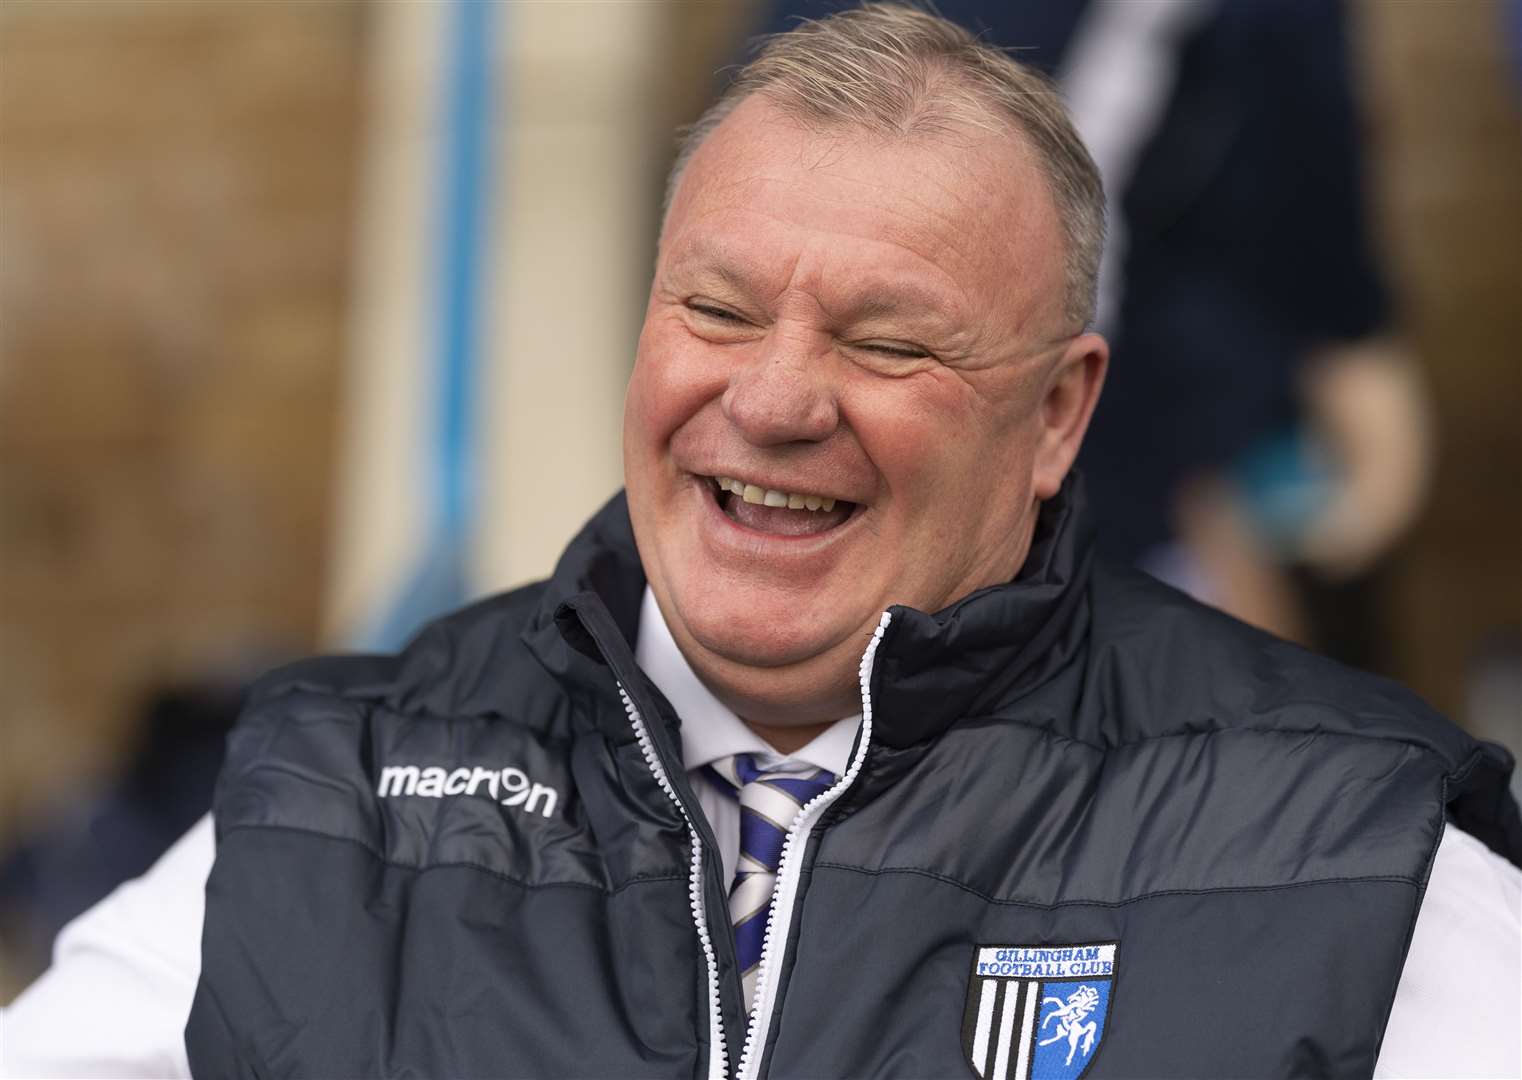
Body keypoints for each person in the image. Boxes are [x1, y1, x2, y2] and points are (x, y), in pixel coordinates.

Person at [4, 6, 1519, 1078]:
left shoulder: (1345, 854)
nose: (776, 398)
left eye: (887, 342)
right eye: (716, 313)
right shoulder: (338, 796)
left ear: (1055, 413)